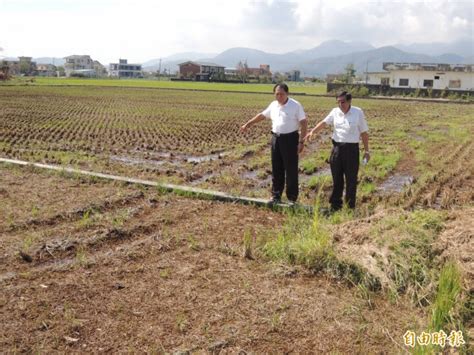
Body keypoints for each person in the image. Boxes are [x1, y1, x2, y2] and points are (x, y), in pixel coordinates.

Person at [240, 83, 308, 204]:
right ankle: (276, 195)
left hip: (291, 139)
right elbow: (262, 115)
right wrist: (248, 124)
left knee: (291, 169)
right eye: (277, 94)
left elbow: (303, 123)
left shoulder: (295, 105)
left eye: (282, 94)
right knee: (276, 168)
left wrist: (301, 141)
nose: (279, 96)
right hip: (276, 138)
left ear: (287, 93)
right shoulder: (273, 105)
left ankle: (292, 198)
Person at [303, 91, 369, 211]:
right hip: (337, 150)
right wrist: (313, 131)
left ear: (349, 101)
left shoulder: (357, 112)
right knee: (337, 179)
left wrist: (367, 151)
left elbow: (364, 132)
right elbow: (324, 123)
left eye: (342, 102)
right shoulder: (335, 112)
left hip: (351, 150)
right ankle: (335, 206)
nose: (340, 104)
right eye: (338, 102)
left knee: (351, 180)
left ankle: (350, 208)